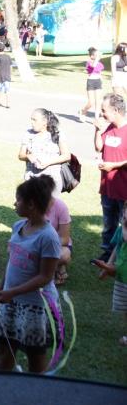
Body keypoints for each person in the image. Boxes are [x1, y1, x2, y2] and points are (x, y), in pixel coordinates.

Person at [0, 176, 61, 373]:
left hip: (35, 308)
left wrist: (11, 292)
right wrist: (1, 291)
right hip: (10, 301)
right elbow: (11, 262)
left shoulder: (49, 238)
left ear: (31, 204)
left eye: (18, 199)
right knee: (4, 354)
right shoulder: (18, 226)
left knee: (35, 363)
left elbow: (45, 277)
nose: (15, 203)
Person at [94, 93, 127, 260]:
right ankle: (107, 255)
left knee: (125, 226)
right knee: (109, 224)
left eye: (104, 110)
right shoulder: (109, 128)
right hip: (107, 187)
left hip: (124, 190)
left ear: (115, 110)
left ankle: (121, 258)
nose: (101, 113)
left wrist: (114, 165)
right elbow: (98, 148)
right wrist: (98, 130)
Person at [93, 210, 127, 347]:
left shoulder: (123, 230)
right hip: (122, 278)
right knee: (125, 308)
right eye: (124, 217)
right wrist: (108, 265)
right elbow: (117, 247)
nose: (125, 221)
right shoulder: (120, 230)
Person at [18, 108, 69, 195]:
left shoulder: (57, 134)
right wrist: (28, 156)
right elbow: (21, 155)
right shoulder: (28, 134)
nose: (32, 122)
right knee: (32, 207)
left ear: (44, 122)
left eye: (35, 120)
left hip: (51, 181)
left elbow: (66, 156)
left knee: (50, 208)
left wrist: (47, 162)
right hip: (31, 179)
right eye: (31, 119)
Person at [45, 196, 72, 285]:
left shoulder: (60, 206)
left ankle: (52, 269)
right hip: (38, 243)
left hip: (58, 244)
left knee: (63, 255)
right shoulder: (32, 203)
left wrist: (46, 247)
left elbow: (64, 239)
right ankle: (57, 268)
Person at [80, 47, 104, 122]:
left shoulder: (100, 64)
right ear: (91, 56)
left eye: (98, 55)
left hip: (98, 81)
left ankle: (96, 118)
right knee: (91, 102)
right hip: (91, 81)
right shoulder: (89, 62)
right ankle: (83, 111)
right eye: (96, 55)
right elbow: (93, 66)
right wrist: (97, 57)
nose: (98, 57)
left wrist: (101, 80)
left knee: (98, 101)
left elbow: (99, 73)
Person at [0, 42, 12, 108]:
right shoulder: (8, 56)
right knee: (7, 90)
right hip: (7, 76)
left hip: (0, 76)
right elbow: (10, 66)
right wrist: (10, 74)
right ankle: (8, 103)